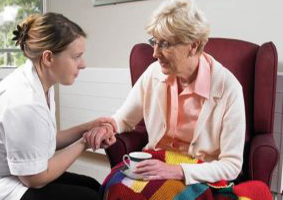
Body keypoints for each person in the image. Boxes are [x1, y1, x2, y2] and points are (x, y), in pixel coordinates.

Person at [84, 0, 246, 185]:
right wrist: (107, 128)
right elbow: (124, 119)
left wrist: (178, 171)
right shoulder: (153, 73)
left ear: (193, 45)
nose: (155, 53)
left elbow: (232, 165)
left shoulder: (228, 88)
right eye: (154, 42)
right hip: (155, 163)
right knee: (112, 185)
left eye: (165, 44)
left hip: (198, 175)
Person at [0, 12, 115, 200]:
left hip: (21, 173)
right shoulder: (24, 102)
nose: (83, 64)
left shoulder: (41, 82)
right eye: (76, 57)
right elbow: (35, 179)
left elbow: (44, 141)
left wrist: (86, 128)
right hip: (2, 184)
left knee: (94, 186)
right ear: (48, 58)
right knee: (89, 197)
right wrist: (85, 141)